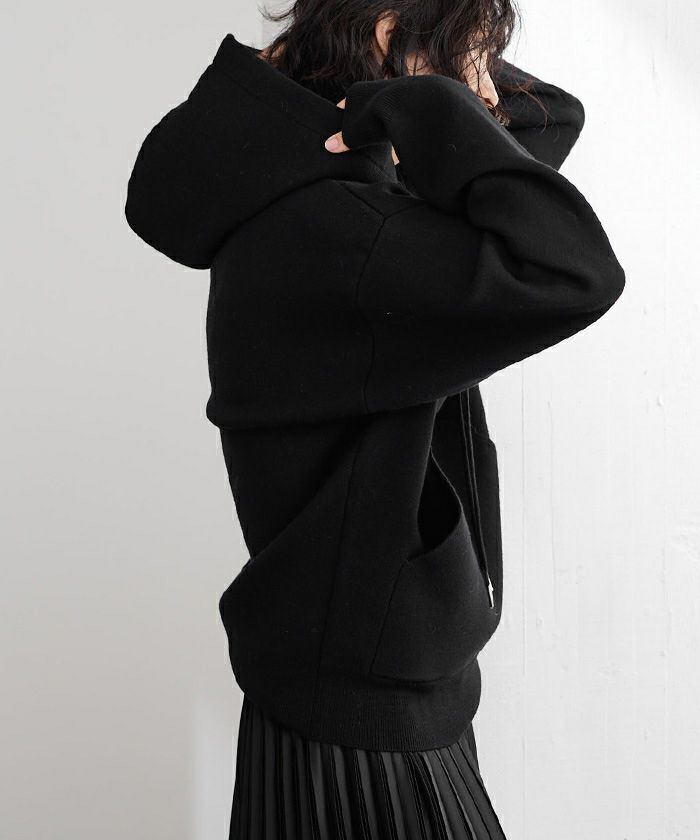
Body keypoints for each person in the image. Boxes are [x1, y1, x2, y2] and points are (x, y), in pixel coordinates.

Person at [124, 1, 626, 836]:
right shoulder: (350, 235)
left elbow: (551, 117)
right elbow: (574, 271)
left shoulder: (307, 208)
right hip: (370, 731)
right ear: (393, 34)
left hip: (337, 688)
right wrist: (421, 102)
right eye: (470, 57)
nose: (484, 89)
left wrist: (396, 86)